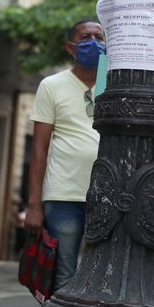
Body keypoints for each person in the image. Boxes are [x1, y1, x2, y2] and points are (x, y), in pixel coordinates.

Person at [24, 19, 105, 291]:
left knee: (101, 278)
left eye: (99, 37)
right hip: (62, 197)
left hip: (107, 196)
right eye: (85, 37)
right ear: (71, 48)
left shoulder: (116, 85)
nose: (93, 42)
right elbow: (39, 149)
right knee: (63, 279)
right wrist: (34, 205)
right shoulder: (51, 85)